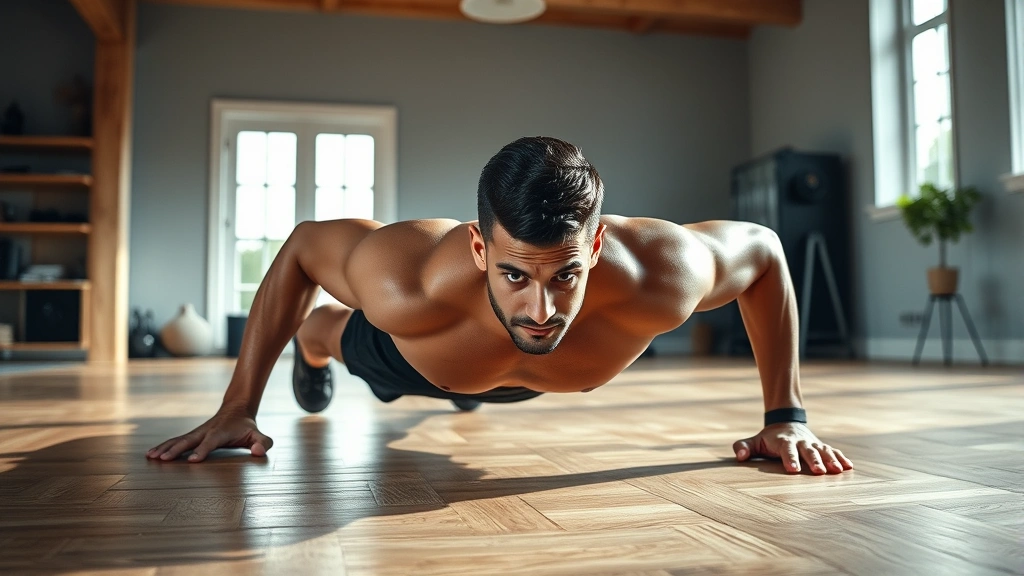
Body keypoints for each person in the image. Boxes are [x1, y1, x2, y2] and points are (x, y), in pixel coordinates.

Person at [147, 136, 854, 475]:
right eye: (517, 274)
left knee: (495, 366)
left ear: (598, 245)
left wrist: (784, 418)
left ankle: (471, 391)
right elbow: (303, 246)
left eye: (566, 275)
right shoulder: (408, 281)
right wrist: (240, 403)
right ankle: (315, 341)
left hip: (493, 369)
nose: (543, 307)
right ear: (481, 249)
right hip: (420, 359)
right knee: (341, 331)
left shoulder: (661, 273)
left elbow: (762, 252)